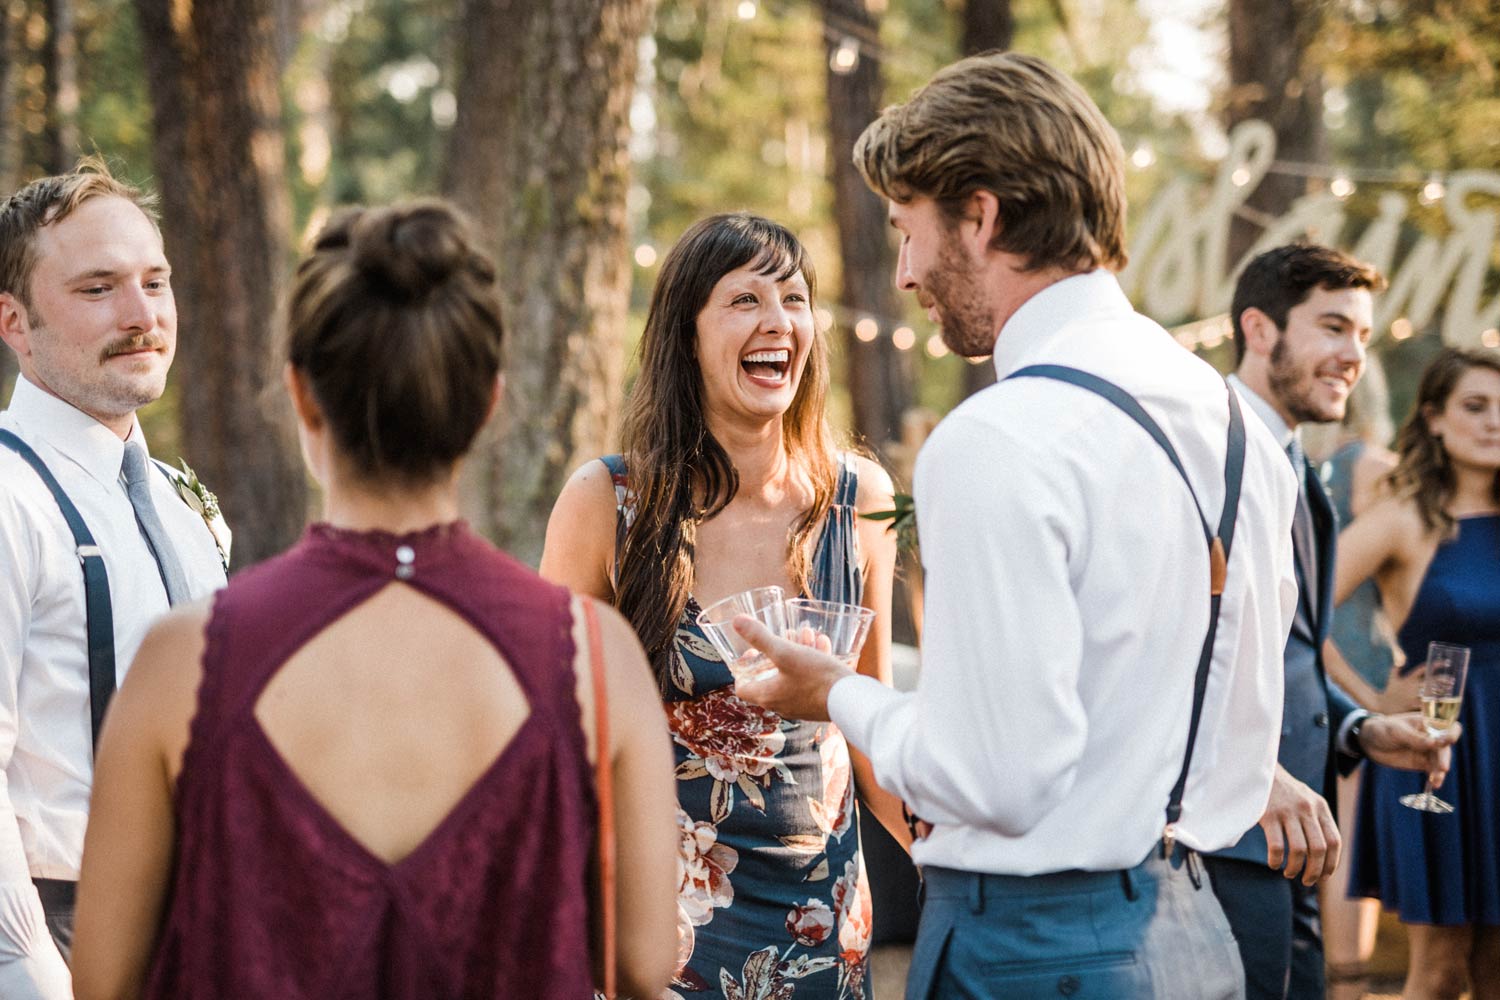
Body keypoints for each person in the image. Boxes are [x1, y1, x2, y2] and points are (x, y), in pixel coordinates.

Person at [730, 51, 1305, 999]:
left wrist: (837, 692)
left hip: (1034, 952)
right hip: (1198, 928)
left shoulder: (999, 437)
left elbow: (993, 776)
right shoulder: (1231, 414)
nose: (906, 272)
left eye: (909, 231)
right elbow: (1247, 700)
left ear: (983, 216)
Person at [68, 201, 680, 999]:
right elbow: (644, 961)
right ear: (488, 401)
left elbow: (103, 981)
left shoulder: (183, 659)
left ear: (303, 395)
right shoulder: (595, 655)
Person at [541, 212, 903, 998]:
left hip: (826, 939)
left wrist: (975, 879)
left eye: (795, 300)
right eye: (745, 300)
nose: (779, 322)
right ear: (686, 335)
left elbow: (878, 737)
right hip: (661, 943)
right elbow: (558, 743)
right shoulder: (609, 504)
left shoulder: (860, 501)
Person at [0, 159, 229, 999]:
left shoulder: (181, 502)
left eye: (155, 282)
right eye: (99, 289)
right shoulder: (6, 499)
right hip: (56, 936)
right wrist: (29, 976)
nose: (143, 316)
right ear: (13, 321)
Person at [1203, 243, 1452, 1000]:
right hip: (1226, 842)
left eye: (1364, 337)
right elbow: (1176, 643)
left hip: (1301, 846)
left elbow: (1293, 655)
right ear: (1259, 328)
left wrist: (1359, 730)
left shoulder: (1297, 464)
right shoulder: (1209, 450)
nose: (1354, 357)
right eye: (1334, 328)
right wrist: (1257, 774)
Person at [1336, 346, 1500, 1000]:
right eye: (1475, 406)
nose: (1494, 422)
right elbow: (1295, 607)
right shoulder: (1405, 517)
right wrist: (1370, 703)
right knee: (1439, 972)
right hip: (1438, 756)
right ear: (1433, 418)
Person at [1314, 352, 1403, 1000]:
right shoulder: (1376, 467)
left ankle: (1340, 974)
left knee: (1337, 820)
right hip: (1363, 659)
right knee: (1354, 826)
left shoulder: (1312, 467)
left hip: (1318, 661)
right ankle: (1350, 977)